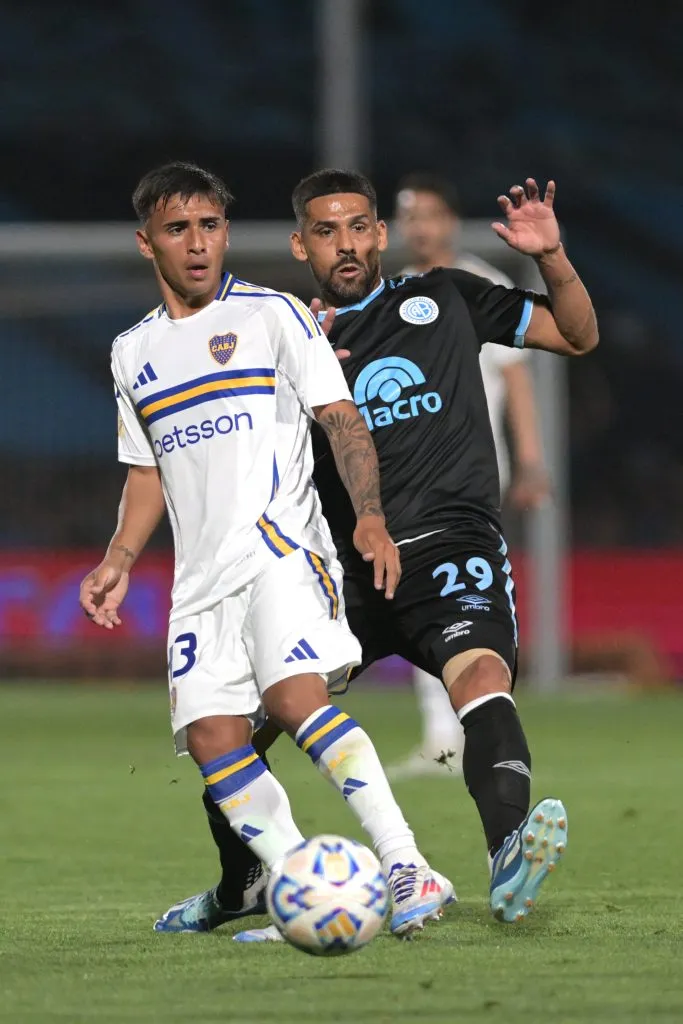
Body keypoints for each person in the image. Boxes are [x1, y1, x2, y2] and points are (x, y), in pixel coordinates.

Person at [161, 168, 597, 941]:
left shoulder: (448, 298)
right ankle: (243, 885)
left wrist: (551, 256)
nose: (346, 244)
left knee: (482, 681)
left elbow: (574, 334)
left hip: (449, 543)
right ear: (301, 244)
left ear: (380, 234)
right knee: (232, 736)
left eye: (358, 226)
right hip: (338, 573)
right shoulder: (287, 333)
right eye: (325, 232)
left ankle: (507, 856)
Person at [78, 161, 454, 938]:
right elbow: (146, 469)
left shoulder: (273, 315)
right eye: (178, 229)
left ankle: (406, 864)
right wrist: (117, 556)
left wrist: (370, 517)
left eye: (210, 226)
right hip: (201, 577)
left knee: (293, 699)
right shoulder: (132, 352)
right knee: (216, 740)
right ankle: (295, 889)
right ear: (146, 241)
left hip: (280, 546)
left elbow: (342, 420)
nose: (197, 244)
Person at [386, 172, 551, 781]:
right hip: (405, 474)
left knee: (466, 600)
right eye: (409, 215)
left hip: (473, 473)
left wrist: (530, 460)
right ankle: (442, 738)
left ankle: (476, 729)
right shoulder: (392, 290)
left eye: (429, 213)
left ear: (450, 220)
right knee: (414, 600)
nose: (420, 226)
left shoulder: (483, 282)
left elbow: (515, 377)